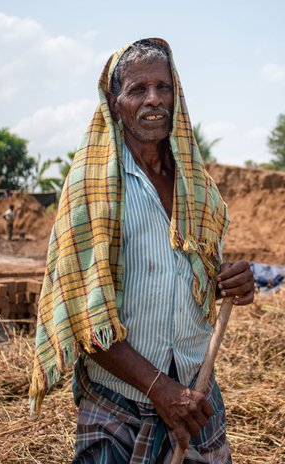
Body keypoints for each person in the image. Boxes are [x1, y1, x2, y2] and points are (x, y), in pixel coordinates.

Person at [30, 38, 254, 464]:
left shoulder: (198, 187)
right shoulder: (91, 190)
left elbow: (198, 275)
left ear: (176, 94)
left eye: (163, 87)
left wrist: (232, 281)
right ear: (115, 103)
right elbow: (84, 316)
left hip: (195, 392)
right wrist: (161, 391)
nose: (154, 99)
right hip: (120, 402)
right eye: (138, 89)